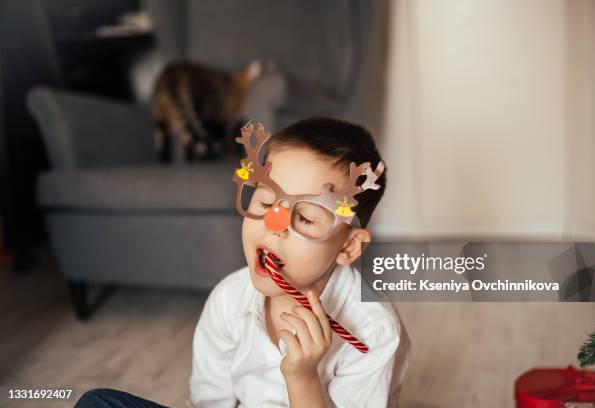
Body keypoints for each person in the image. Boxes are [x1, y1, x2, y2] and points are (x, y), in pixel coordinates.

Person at [76, 117, 410, 408]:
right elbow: (209, 401)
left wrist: (302, 377)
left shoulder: (372, 330)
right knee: (97, 403)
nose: (274, 224)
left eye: (306, 219)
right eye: (265, 202)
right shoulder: (229, 298)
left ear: (349, 247)